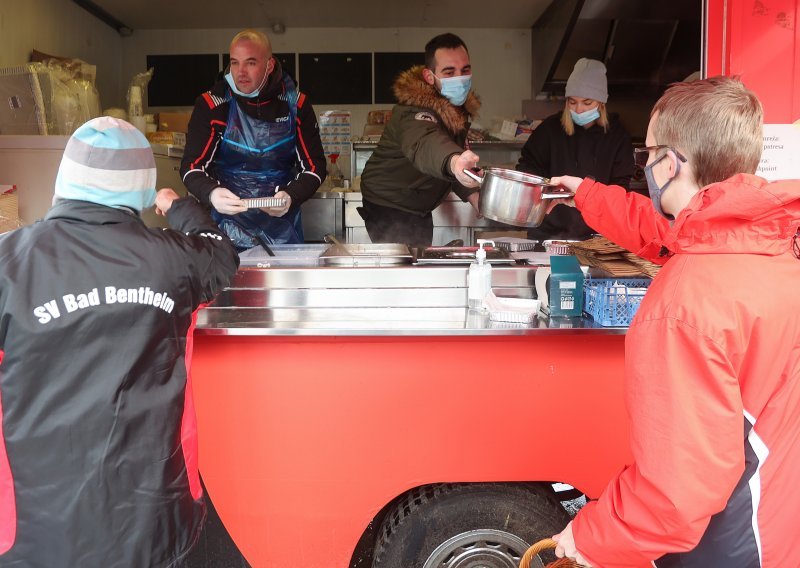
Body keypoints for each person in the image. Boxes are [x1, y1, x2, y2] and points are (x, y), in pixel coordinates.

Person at [546, 77, 800, 566]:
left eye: (647, 156)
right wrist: (588, 195)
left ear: (670, 163)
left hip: (734, 545)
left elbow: (677, 492)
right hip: (781, 521)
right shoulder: (769, 238)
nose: (645, 167)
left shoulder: (684, 308)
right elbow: (671, 231)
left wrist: (592, 537)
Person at [0, 117, 239, 567]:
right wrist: (179, 206)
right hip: (152, 524)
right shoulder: (175, 260)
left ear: (65, 180)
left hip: (34, 533)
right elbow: (221, 252)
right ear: (141, 190)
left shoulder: (8, 262)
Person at [181, 28, 326, 250]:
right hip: (224, 230)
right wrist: (212, 193)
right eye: (234, 63)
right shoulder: (212, 104)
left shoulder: (296, 105)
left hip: (282, 231)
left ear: (269, 65)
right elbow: (191, 166)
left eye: (250, 63)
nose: (240, 72)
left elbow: (315, 166)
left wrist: (291, 196)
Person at [359, 33, 482, 247]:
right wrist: (455, 162)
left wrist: (474, 196)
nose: (459, 78)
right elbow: (426, 143)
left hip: (418, 204)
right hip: (389, 202)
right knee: (407, 273)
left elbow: (457, 158)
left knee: (419, 261)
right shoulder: (413, 111)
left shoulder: (455, 111)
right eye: (449, 72)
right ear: (429, 76)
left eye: (465, 70)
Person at [516, 58, 634, 242]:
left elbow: (620, 189)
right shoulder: (549, 130)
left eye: (587, 103)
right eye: (572, 102)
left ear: (601, 103)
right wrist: (544, 191)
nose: (579, 109)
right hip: (549, 235)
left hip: (598, 237)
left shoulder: (617, 137)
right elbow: (528, 168)